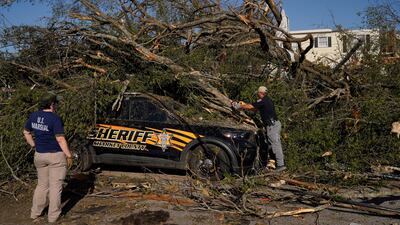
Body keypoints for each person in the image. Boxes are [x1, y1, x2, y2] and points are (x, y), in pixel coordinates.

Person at [23, 94, 73, 223]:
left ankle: (35, 213)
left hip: (39, 155)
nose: (56, 105)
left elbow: (26, 132)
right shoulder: (55, 119)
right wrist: (69, 155)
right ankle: (53, 217)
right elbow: (60, 139)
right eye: (55, 103)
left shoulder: (34, 116)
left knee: (42, 185)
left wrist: (33, 145)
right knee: (56, 187)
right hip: (55, 156)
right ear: (51, 105)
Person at [232, 86, 286, 172]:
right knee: (271, 144)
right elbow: (254, 108)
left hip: (272, 125)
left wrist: (238, 106)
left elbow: (250, 107)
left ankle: (281, 165)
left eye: (258, 93)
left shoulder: (263, 101)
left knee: (275, 144)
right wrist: (242, 105)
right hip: (272, 125)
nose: (257, 94)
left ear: (260, 93)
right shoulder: (266, 100)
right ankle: (273, 163)